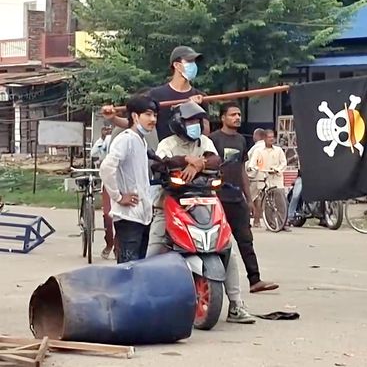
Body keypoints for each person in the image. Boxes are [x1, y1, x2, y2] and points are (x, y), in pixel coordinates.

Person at [149, 101, 255, 324]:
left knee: (227, 249)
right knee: (154, 251)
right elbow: (160, 163)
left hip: (204, 204)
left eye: (198, 121)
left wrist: (200, 163)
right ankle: (146, 302)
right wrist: (185, 160)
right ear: (178, 123)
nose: (195, 125)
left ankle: (236, 305)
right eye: (190, 121)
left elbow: (216, 159)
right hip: (168, 205)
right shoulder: (167, 144)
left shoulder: (204, 142)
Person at [209, 103, 279, 292]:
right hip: (217, 198)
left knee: (246, 240)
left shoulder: (241, 140)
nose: (237, 117)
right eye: (233, 114)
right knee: (217, 243)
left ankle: (255, 280)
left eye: (239, 114)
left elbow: (242, 170)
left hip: (237, 198)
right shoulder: (213, 139)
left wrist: (249, 199)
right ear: (223, 118)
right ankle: (215, 283)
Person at [102, 46, 209, 141]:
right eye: (189, 61)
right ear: (177, 65)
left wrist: (194, 108)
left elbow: (206, 132)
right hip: (165, 153)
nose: (193, 66)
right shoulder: (156, 95)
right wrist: (112, 118)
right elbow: (134, 122)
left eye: (194, 62)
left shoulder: (200, 97)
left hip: (193, 153)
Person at [98, 94, 158, 264]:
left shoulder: (141, 140)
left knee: (139, 267)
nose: (153, 119)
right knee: (127, 268)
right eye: (148, 114)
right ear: (135, 116)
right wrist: (118, 197)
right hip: (128, 217)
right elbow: (106, 168)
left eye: (155, 115)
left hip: (142, 216)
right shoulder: (126, 139)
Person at [247, 129, 287, 229]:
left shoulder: (278, 150)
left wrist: (277, 170)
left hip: (276, 178)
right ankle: (271, 224)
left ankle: (282, 223)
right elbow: (252, 163)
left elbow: (283, 163)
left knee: (280, 202)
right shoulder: (258, 150)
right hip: (262, 176)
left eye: (272, 137)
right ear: (264, 138)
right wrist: (253, 168)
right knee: (263, 200)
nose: (271, 139)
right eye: (269, 137)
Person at [91, 125, 116, 260]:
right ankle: (109, 243)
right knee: (108, 215)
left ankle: (118, 245)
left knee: (122, 217)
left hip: (123, 181)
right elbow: (94, 153)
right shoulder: (106, 140)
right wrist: (101, 138)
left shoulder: (125, 138)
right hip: (108, 181)